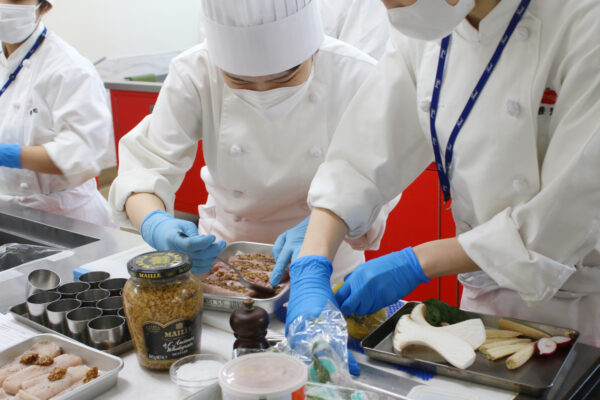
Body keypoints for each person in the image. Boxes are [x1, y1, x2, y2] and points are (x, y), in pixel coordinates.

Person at [276, 0, 600, 347]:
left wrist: (417, 262)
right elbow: (363, 153)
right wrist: (312, 261)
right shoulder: (430, 23)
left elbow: (566, 217)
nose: (390, 6)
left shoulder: (585, 24)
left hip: (584, 305)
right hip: (483, 295)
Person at [109, 0, 398, 281]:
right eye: (240, 80)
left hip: (328, 262)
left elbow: (376, 174)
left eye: (285, 77)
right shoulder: (195, 71)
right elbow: (146, 166)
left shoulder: (355, 72)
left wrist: (323, 226)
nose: (263, 92)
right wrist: (155, 223)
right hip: (224, 262)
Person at [0, 0, 114, 227]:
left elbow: (81, 154)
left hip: (66, 219)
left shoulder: (70, 68)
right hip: (8, 211)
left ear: (44, 7)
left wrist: (8, 155)